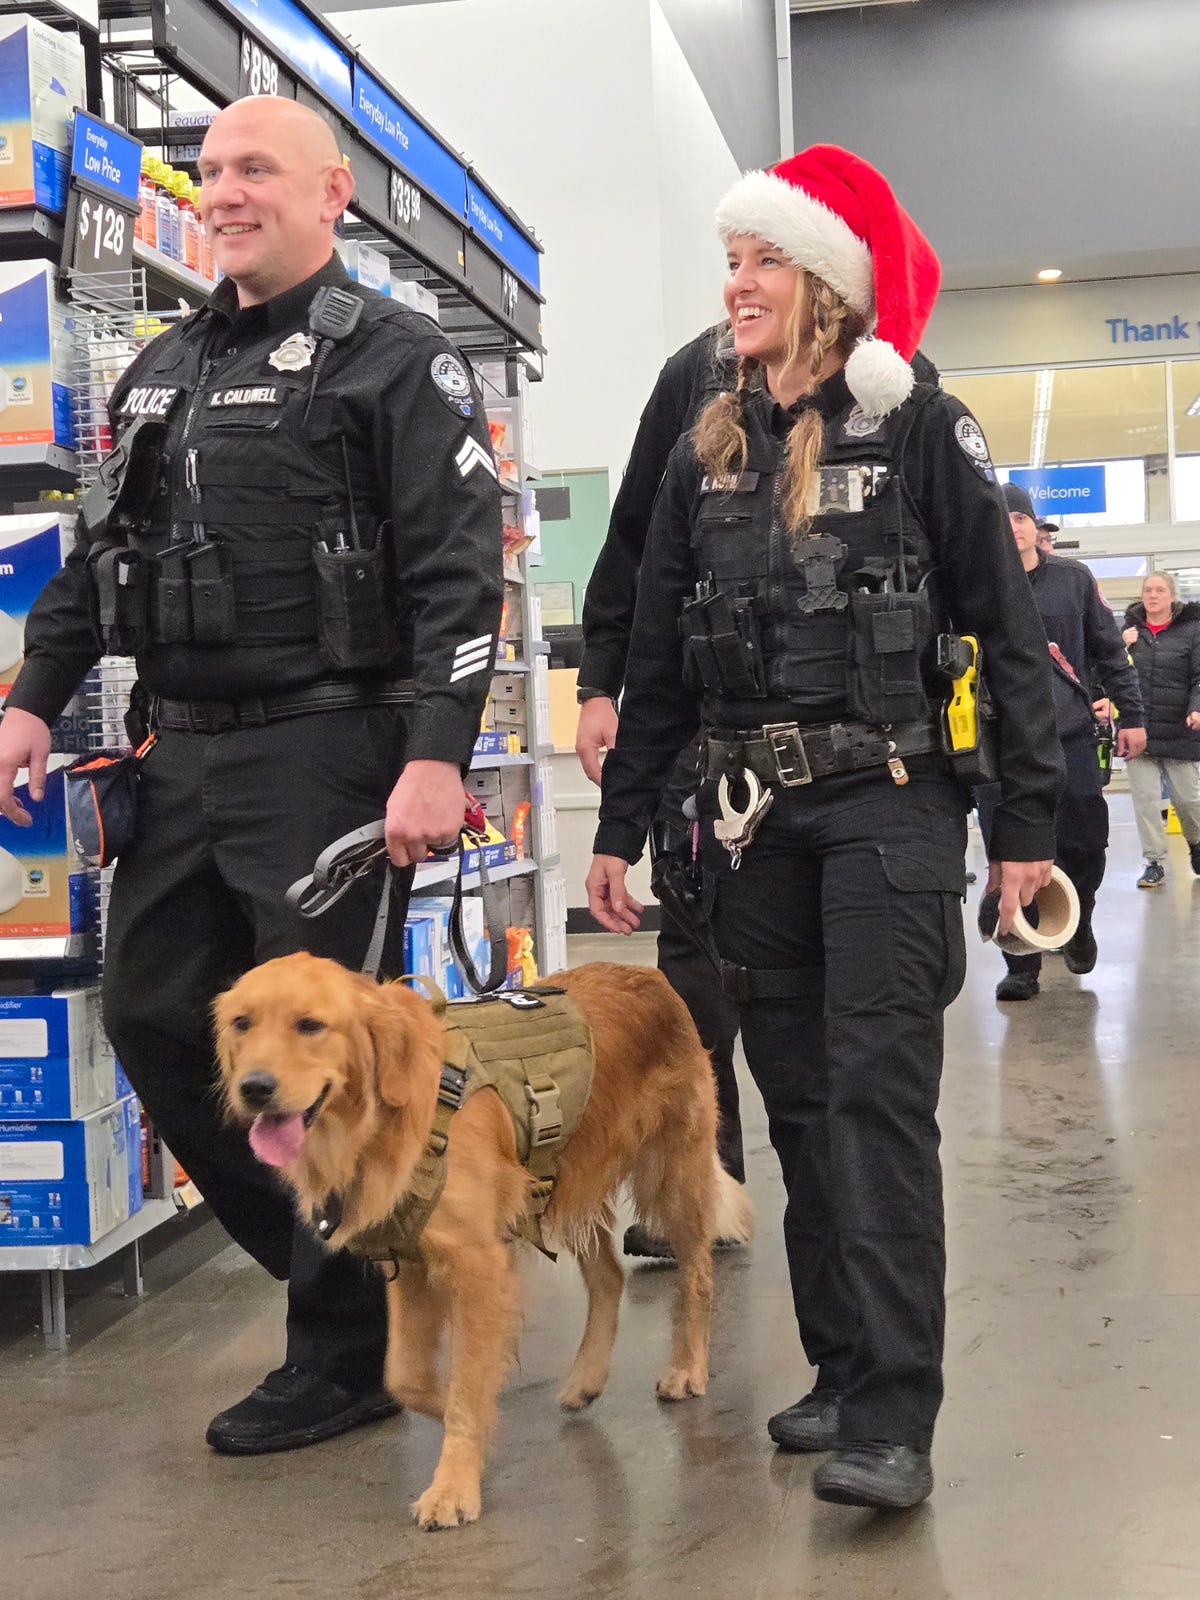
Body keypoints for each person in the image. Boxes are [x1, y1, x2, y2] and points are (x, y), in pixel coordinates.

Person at [0, 97, 503, 1453]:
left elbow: (463, 573)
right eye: (210, 171)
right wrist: (33, 701)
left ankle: (338, 1356)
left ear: (330, 192)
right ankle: (346, 1247)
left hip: (332, 763)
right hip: (186, 755)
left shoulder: (396, 359)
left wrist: (437, 757)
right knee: (157, 1013)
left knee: (335, 1060)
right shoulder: (157, 365)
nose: (224, 193)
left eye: (254, 170)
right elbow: (100, 560)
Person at [586, 144, 1062, 1509]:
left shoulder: (922, 427)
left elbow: (1006, 635)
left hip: (890, 807)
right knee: (795, 1103)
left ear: (831, 287)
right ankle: (842, 1369)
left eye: (765, 261)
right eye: (731, 261)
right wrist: (623, 828)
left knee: (872, 1103)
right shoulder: (706, 439)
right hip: (747, 826)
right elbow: (665, 657)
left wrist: (1023, 825)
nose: (736, 285)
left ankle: (897, 1417)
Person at [576, 323, 747, 1256]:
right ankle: (699, 1195)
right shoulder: (696, 369)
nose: (748, 281)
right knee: (693, 975)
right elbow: (633, 537)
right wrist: (601, 682)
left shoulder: (896, 383)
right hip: (696, 724)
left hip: (849, 753)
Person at [982, 483, 1145, 1000]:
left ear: (1035, 527)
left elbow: (1110, 653)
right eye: (1002, 518)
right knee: (1008, 849)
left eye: (1020, 517)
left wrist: (1132, 715)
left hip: (1068, 735)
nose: (1012, 526)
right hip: (1000, 743)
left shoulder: (1073, 581)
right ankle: (1022, 962)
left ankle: (1081, 921)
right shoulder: (973, 587)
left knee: (1083, 841)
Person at [1120, 572, 1200, 887]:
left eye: (1160, 590)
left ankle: (1196, 842)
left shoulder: (1192, 629)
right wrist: (1119, 645)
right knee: (1146, 801)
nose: (1152, 595)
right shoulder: (1127, 631)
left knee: (1189, 800)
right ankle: (1154, 862)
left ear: (1172, 596)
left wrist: (1197, 705)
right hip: (1137, 728)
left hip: (1181, 728)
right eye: (1147, 590)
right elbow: (1109, 669)